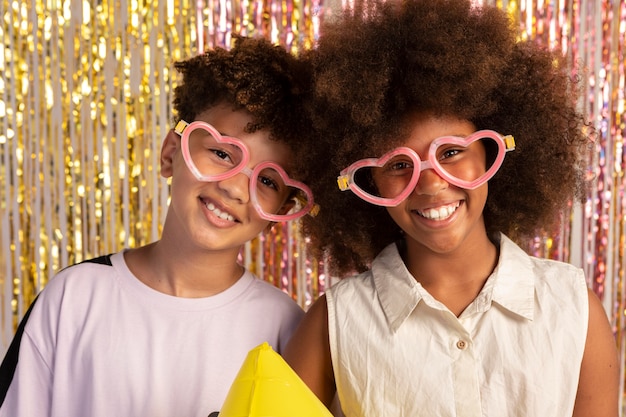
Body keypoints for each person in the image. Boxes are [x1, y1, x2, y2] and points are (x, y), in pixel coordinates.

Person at [283, 1, 620, 416]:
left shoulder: (572, 309)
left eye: (452, 152)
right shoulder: (333, 323)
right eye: (399, 164)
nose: (430, 182)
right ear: (368, 181)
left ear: (492, 152)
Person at [0, 35, 318, 416]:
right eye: (221, 153)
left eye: (267, 181)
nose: (235, 187)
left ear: (279, 212)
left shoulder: (285, 326)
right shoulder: (74, 297)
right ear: (171, 153)